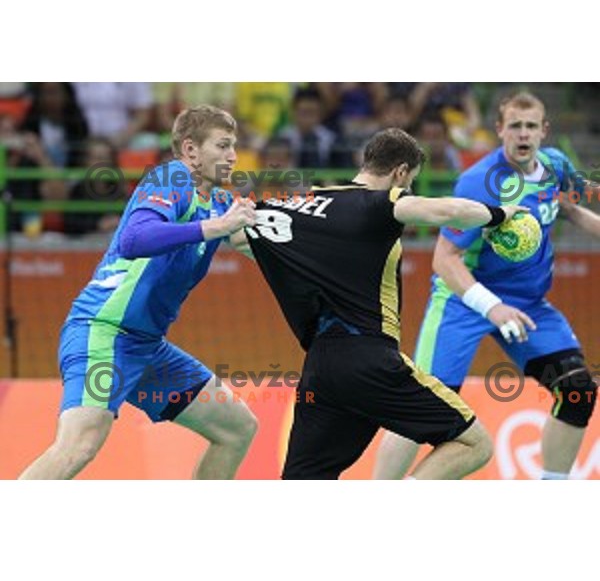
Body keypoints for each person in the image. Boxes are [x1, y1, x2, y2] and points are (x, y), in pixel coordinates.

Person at [232, 127, 525, 480]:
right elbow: (450, 211)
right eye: (410, 181)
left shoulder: (303, 204)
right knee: (475, 444)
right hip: (370, 360)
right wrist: (501, 214)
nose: (409, 189)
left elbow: (238, 237)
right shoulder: (381, 203)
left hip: (321, 369)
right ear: (400, 172)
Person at [19, 105, 258, 480]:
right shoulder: (172, 178)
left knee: (236, 428)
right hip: (103, 332)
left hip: (148, 348)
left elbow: (255, 243)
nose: (232, 156)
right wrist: (215, 228)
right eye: (223, 145)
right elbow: (134, 239)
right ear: (191, 150)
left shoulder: (221, 202)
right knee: (79, 444)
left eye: (234, 146)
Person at [374, 92, 598, 481]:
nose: (523, 134)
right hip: (465, 299)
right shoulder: (479, 182)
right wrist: (491, 306)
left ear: (544, 130)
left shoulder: (556, 165)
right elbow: (444, 260)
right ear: (499, 130)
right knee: (419, 406)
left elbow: (568, 207)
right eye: (515, 125)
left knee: (577, 390)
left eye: (531, 126)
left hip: (528, 303)